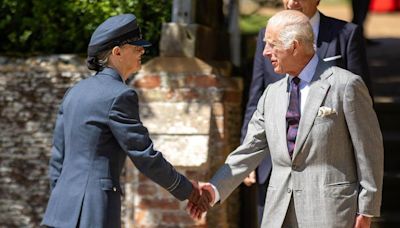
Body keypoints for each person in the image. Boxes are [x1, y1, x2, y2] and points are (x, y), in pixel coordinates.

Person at [192, 10, 383, 227]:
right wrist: (214, 189)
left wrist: (366, 209)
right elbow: (249, 149)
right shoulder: (271, 94)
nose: (265, 52)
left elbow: (369, 150)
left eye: (271, 45)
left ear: (294, 46)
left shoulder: (346, 86)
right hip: (278, 214)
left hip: (331, 213)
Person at [41, 14, 208, 228]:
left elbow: (57, 159)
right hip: (93, 214)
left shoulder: (73, 93)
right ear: (116, 52)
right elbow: (145, 156)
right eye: (136, 47)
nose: (142, 51)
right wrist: (189, 190)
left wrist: (63, 199)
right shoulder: (120, 95)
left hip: (58, 211)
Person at [241, 0, 372, 225]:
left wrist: (365, 197)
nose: (292, 2)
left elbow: (362, 120)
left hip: (327, 181)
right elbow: (256, 98)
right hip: (274, 170)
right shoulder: (268, 36)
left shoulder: (346, 35)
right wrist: (247, 154)